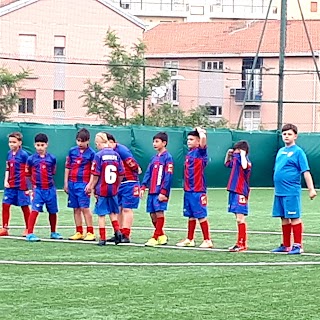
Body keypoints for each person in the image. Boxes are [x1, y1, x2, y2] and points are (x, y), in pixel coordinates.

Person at [272, 123, 317, 254]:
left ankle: (298, 245)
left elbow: (306, 171)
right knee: (283, 217)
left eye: (289, 134)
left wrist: (311, 189)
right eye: (284, 134)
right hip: (279, 191)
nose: (286, 136)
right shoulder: (281, 151)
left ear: (295, 136)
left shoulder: (298, 152)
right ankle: (286, 245)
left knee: (294, 217)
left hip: (291, 191)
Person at [85, 132, 124, 246]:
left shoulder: (98, 155)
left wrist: (91, 186)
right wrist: (117, 184)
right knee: (113, 212)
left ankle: (102, 238)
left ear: (98, 143)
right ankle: (117, 231)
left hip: (102, 189)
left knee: (101, 214)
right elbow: (121, 172)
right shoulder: (116, 155)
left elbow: (96, 174)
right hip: (113, 188)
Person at [176, 127, 213, 248]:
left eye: (192, 139)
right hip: (188, 189)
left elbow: (203, 139)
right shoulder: (190, 153)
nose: (189, 141)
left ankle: (207, 240)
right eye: (188, 139)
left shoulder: (200, 152)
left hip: (198, 190)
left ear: (198, 141)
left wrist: (200, 131)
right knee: (191, 215)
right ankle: (190, 239)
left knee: (200, 214)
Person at [25, 133, 63, 242]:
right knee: (35, 210)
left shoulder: (52, 158)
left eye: (42, 145)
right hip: (38, 189)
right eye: (38, 145)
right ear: (34, 145)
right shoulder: (31, 159)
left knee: (53, 211)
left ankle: (53, 232)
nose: (40, 147)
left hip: (50, 189)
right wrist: (30, 189)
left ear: (47, 145)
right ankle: (30, 233)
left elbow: (53, 172)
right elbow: (27, 175)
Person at [105, 133, 141, 243]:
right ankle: (118, 233)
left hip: (129, 182)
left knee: (127, 208)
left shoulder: (121, 150)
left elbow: (131, 163)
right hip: (118, 183)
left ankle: (126, 234)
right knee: (118, 208)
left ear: (112, 142)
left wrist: (136, 169)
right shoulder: (105, 153)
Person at [140, 132, 174, 247]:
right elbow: (148, 172)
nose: (154, 144)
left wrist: (164, 192)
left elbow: (168, 176)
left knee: (159, 212)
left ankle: (155, 236)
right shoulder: (154, 158)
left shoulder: (168, 157)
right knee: (152, 214)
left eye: (157, 141)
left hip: (160, 191)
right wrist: (144, 185)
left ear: (164, 143)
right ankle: (161, 235)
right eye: (154, 141)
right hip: (152, 191)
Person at [65, 128, 96, 241]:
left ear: (88, 141)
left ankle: (90, 232)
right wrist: (66, 182)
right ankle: (79, 231)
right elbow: (68, 167)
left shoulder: (92, 154)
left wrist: (90, 184)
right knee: (75, 208)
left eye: (83, 141)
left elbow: (94, 170)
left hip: (83, 183)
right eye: (78, 141)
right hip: (72, 183)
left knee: (85, 208)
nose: (80, 143)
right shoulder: (72, 151)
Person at [0, 132, 30, 237]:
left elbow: (28, 170)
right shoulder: (9, 154)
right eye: (10, 142)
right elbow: (8, 168)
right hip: (10, 185)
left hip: (22, 185)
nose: (11, 144)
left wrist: (28, 187)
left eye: (14, 142)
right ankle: (4, 228)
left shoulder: (24, 155)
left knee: (24, 206)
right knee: (5, 204)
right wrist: (6, 180)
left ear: (20, 143)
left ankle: (28, 228)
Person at [224, 140, 252, 252]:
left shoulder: (246, 162)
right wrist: (228, 154)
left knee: (240, 219)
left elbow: (245, 166)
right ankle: (239, 243)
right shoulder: (236, 161)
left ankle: (242, 243)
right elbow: (226, 164)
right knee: (237, 218)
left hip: (241, 191)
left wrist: (242, 154)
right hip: (233, 190)